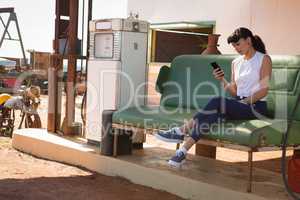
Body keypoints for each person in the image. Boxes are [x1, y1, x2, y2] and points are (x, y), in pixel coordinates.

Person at [155, 27, 272, 168]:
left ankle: (181, 130)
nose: (236, 48)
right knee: (212, 116)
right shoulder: (236, 62)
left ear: (248, 40)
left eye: (238, 44)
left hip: (256, 106)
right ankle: (181, 152)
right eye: (234, 46)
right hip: (239, 104)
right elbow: (234, 92)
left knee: (217, 100)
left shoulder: (263, 59)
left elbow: (264, 90)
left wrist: (244, 102)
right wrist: (222, 80)